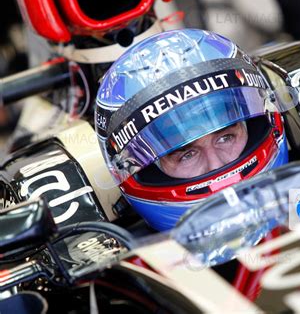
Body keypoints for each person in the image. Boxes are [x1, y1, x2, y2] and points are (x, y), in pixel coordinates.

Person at [95, 29, 289, 231]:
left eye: (225, 137)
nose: (215, 165)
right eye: (187, 155)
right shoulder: (121, 258)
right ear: (151, 171)